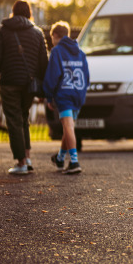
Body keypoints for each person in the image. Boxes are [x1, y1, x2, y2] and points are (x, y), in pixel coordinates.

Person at [0, 0, 48, 174]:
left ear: (13, 13)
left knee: (14, 120)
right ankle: (27, 157)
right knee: (23, 118)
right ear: (29, 13)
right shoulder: (37, 33)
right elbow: (43, 62)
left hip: (9, 82)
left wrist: (5, 71)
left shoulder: (3, 30)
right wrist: (38, 82)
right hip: (29, 84)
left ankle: (21, 163)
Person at [43, 21, 89, 174]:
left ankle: (74, 162)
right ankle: (61, 158)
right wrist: (82, 92)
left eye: (52, 39)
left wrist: (49, 96)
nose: (52, 42)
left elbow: (52, 76)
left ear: (56, 36)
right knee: (68, 128)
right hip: (78, 94)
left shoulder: (57, 51)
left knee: (68, 127)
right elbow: (87, 76)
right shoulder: (80, 52)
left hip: (64, 95)